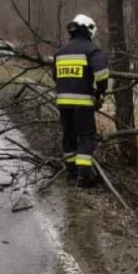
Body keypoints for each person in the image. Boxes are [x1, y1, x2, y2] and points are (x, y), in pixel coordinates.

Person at [52, 14, 110, 186]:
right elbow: (102, 76)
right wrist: (99, 94)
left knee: (69, 136)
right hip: (83, 103)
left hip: (63, 102)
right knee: (86, 137)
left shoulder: (60, 53)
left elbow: (55, 77)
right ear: (89, 30)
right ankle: (84, 177)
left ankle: (71, 172)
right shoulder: (92, 50)